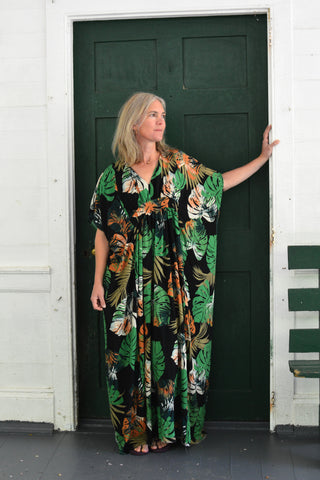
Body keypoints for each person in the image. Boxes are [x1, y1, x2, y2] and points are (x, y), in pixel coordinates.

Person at [89, 92, 279, 455]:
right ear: (133, 123)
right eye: (152, 115)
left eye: (163, 114)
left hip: (171, 285)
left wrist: (262, 159)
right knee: (127, 355)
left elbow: (218, 184)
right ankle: (137, 434)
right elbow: (102, 231)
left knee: (169, 353)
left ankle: (168, 430)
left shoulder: (178, 167)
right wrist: (98, 282)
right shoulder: (111, 178)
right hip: (124, 283)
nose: (161, 121)